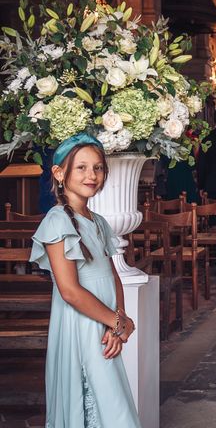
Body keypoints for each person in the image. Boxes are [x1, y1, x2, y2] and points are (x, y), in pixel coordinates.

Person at [28, 133, 141, 427]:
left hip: (105, 322)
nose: (91, 175)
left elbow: (112, 272)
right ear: (59, 173)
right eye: (81, 167)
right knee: (107, 409)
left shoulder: (99, 221)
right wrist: (115, 323)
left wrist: (119, 320)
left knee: (113, 404)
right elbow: (69, 291)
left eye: (98, 168)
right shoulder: (57, 221)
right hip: (80, 325)